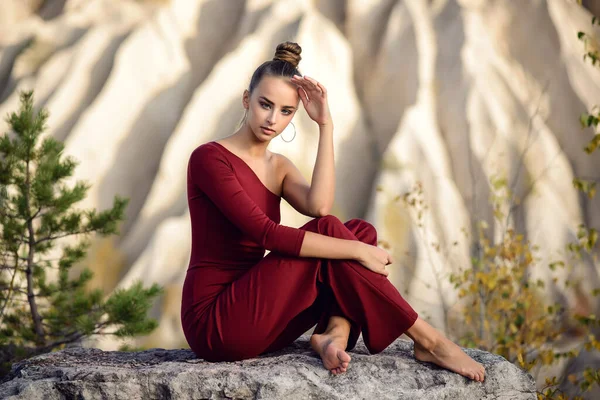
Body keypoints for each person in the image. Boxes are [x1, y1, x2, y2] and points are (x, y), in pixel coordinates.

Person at [180, 41, 485, 381]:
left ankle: (333, 333)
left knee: (356, 228)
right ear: (246, 100)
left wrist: (326, 125)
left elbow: (319, 207)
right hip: (217, 322)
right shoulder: (209, 158)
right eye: (265, 104)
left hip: (261, 312)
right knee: (346, 240)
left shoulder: (278, 166)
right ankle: (428, 338)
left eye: (285, 111)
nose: (272, 119)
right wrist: (358, 250)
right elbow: (265, 234)